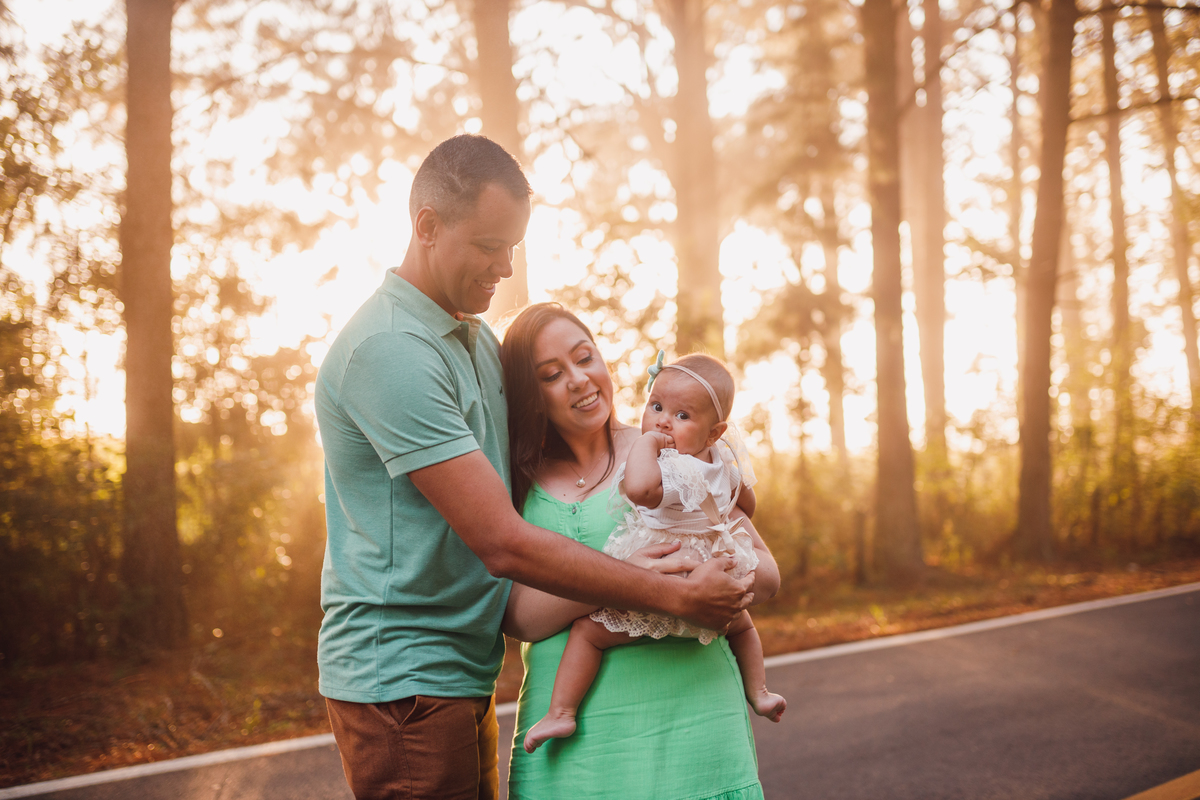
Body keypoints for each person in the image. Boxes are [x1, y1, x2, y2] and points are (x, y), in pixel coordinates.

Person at [314, 135, 753, 800]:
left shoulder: (469, 337)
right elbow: (502, 541)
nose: (504, 267)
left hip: (459, 669)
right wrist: (666, 592)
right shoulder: (391, 349)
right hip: (402, 675)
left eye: (512, 247)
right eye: (489, 246)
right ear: (427, 227)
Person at [501, 304, 781, 799]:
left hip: (696, 736)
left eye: (584, 358)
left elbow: (767, 575)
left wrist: (709, 581)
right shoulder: (514, 479)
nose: (578, 379)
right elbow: (518, 618)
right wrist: (628, 579)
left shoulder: (679, 454)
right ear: (530, 393)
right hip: (568, 759)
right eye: (551, 374)